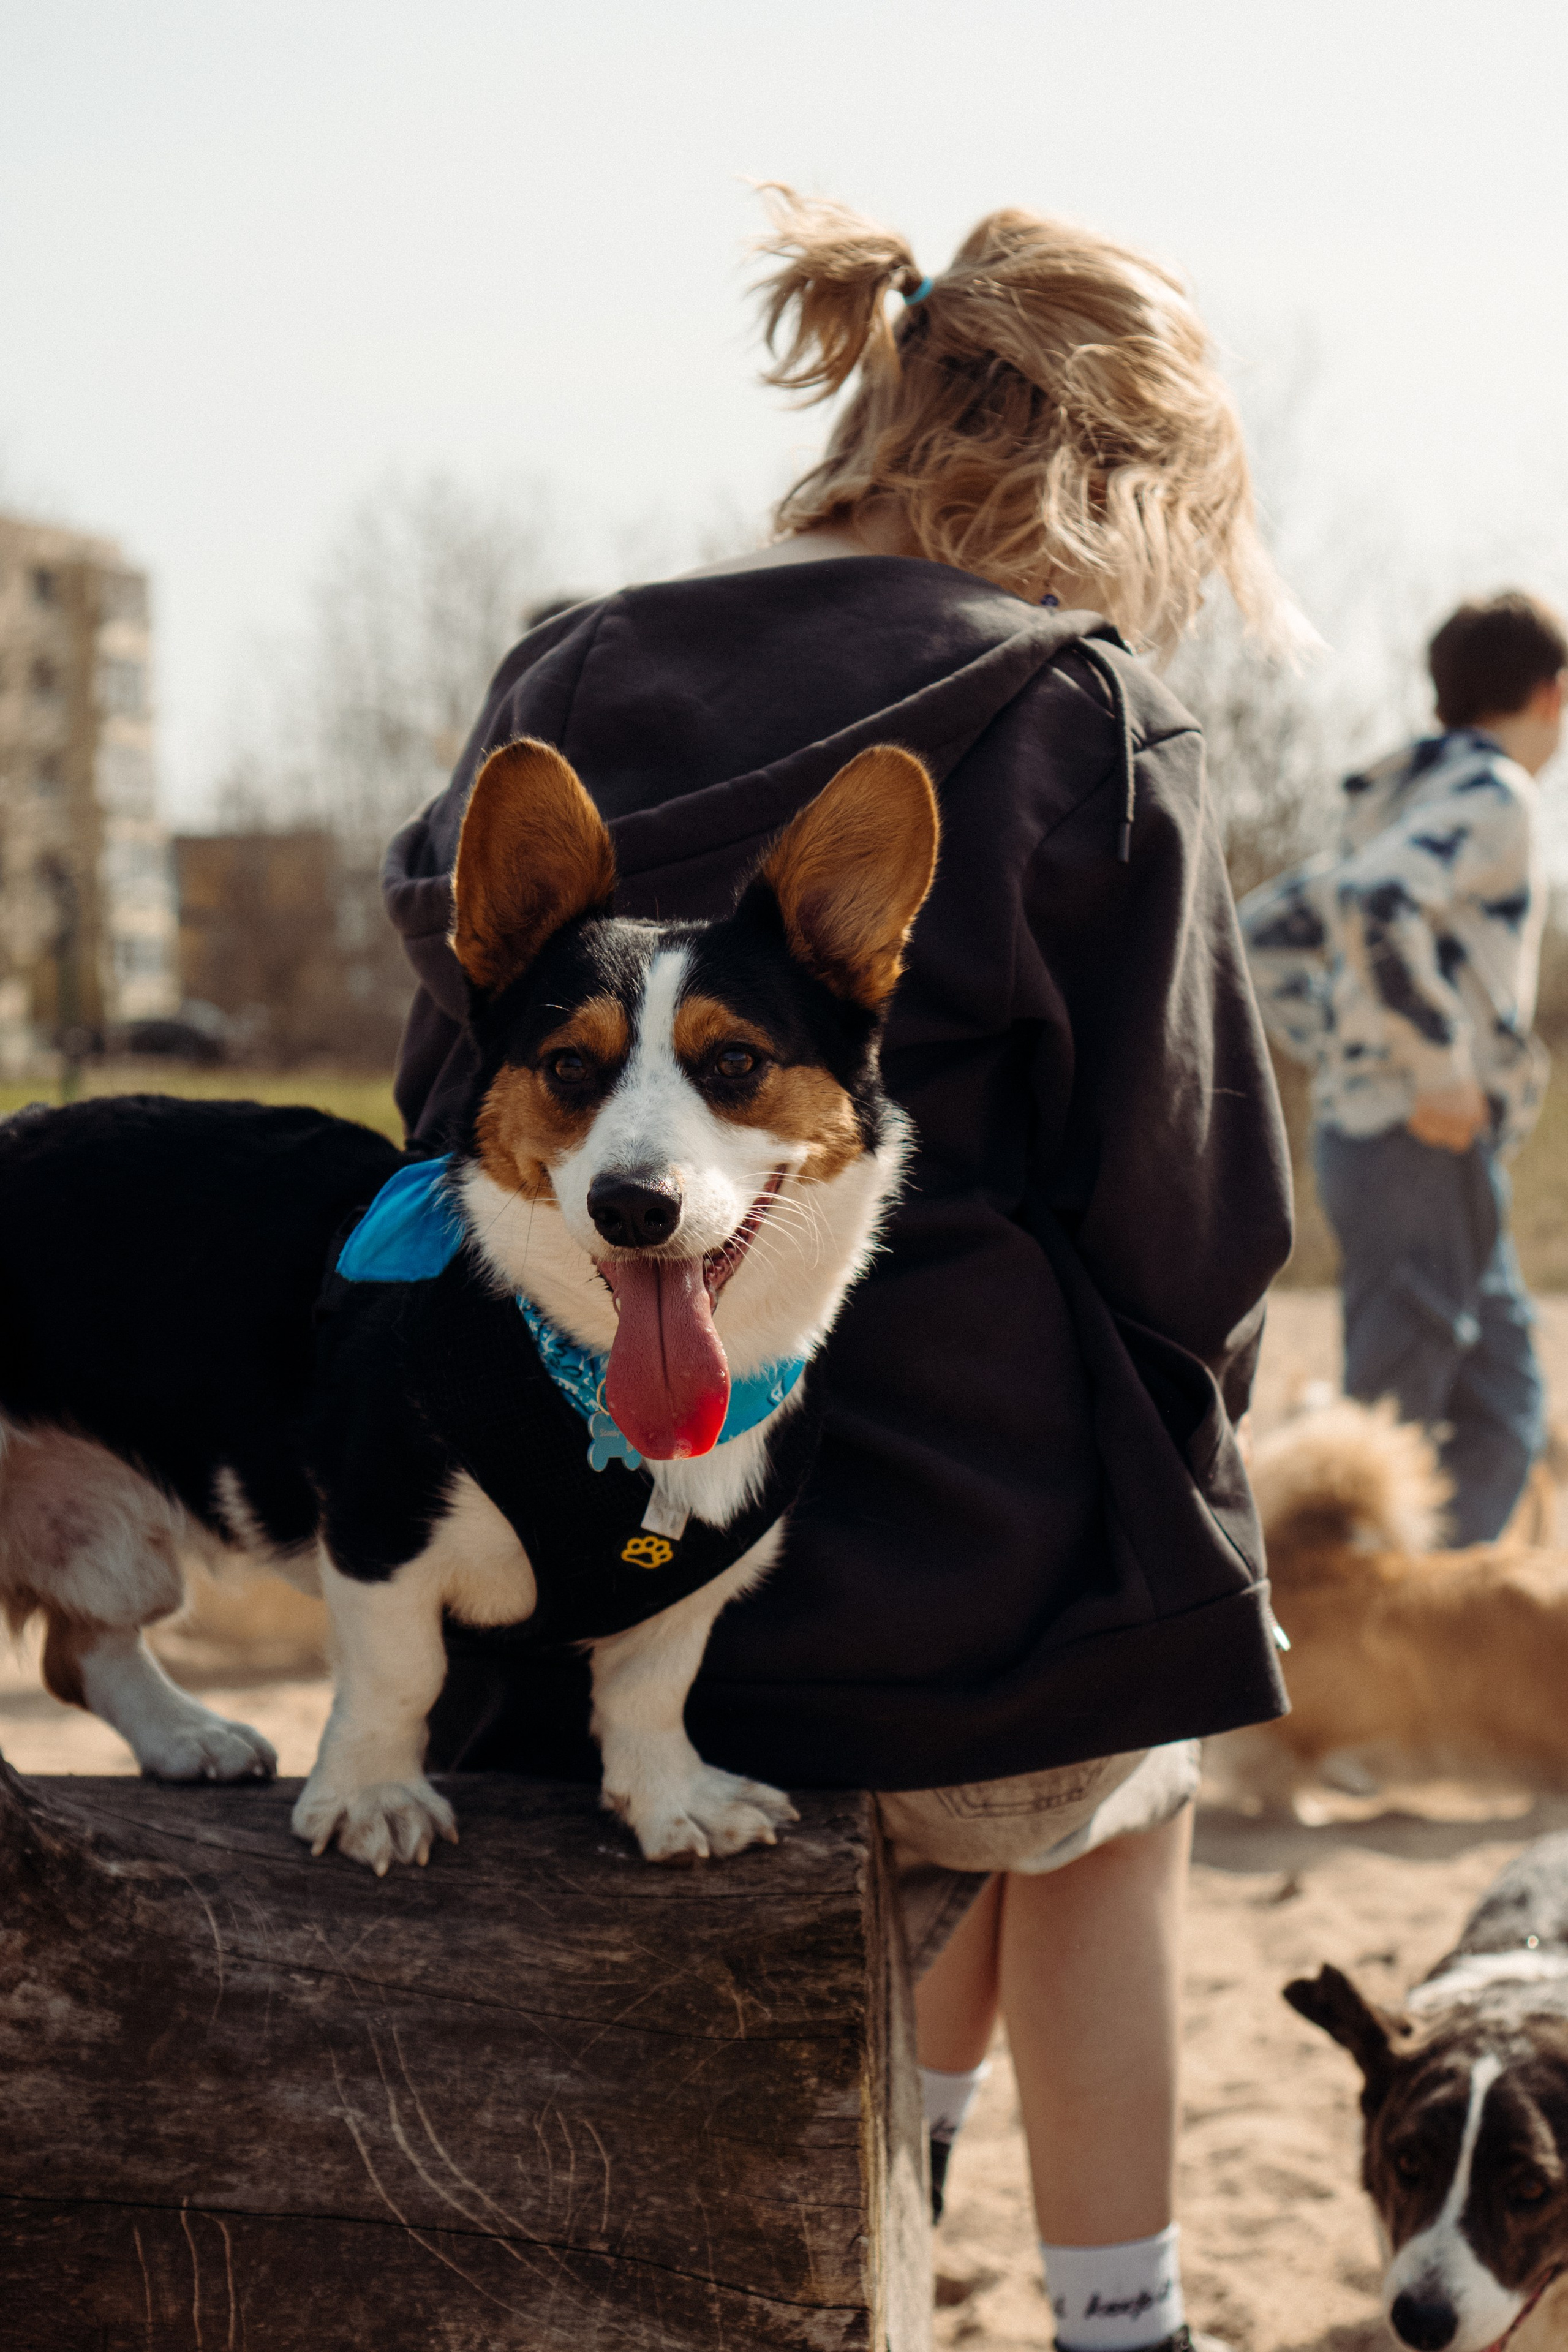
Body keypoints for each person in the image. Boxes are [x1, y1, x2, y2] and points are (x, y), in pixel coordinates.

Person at [384, 192, 1298, 2352]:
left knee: (993, 1776)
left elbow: (448, 1112)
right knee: (1128, 1762)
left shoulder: (570, 668)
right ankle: (1118, 2316)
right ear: (1109, 477)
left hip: (590, 1581)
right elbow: (1197, 1229)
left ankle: (914, 2167)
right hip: (948, 1617)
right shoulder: (1083, 714)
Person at [1242, 592, 1566, 1545]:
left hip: (1417, 1142)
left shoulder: (1407, 801)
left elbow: (1264, 934)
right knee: (1397, 1405)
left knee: (1505, 1403)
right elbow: (1377, 901)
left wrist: (1352, 1051)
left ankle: (1432, 1609)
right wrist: (1428, 1066)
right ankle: (1341, 1608)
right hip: (1412, 1136)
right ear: (1553, 695)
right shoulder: (1495, 795)